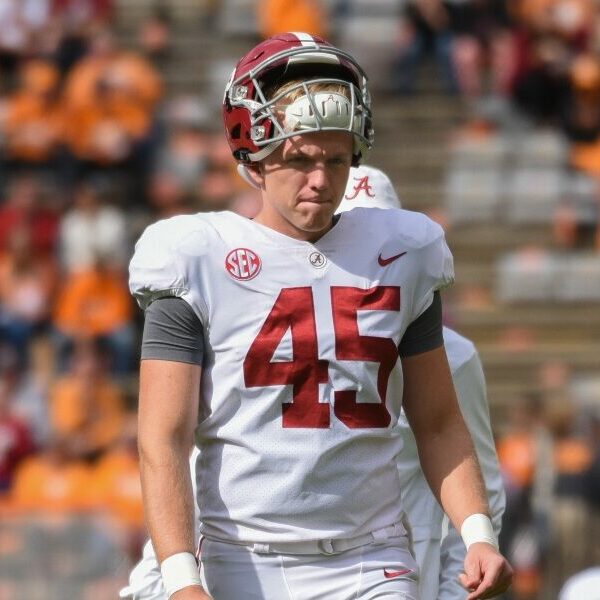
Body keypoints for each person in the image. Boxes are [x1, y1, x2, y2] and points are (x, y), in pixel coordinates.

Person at [128, 32, 513, 600]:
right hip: (240, 557)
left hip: (371, 557)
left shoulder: (404, 251)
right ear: (252, 158)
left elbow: (436, 421)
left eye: (336, 159)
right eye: (301, 158)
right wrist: (181, 579)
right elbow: (163, 438)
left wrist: (477, 532)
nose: (321, 180)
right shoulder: (194, 255)